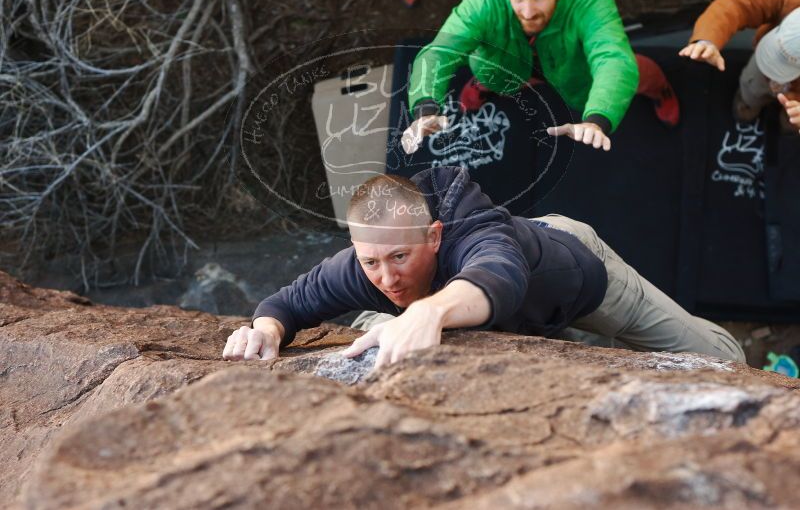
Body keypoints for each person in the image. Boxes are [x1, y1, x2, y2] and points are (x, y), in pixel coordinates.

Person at [222, 167, 745, 367]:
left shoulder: (475, 232)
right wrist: (263, 328)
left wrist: (428, 313)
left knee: (723, 358)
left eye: (400, 258)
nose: (387, 277)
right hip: (511, 310)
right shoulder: (364, 262)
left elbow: (498, 274)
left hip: (573, 272)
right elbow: (289, 303)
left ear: (433, 236)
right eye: (372, 263)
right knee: (372, 318)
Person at [401, 0, 680, 156]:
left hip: (574, 69)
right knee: (493, 76)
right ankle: (487, 85)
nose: (528, 11)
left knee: (633, 70)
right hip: (507, 66)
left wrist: (598, 118)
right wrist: (426, 107)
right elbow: (440, 51)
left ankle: (660, 90)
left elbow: (613, 59)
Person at [679, 0, 800, 133]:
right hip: (760, 65)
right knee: (750, 88)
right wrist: (708, 38)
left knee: (791, 120)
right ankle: (747, 105)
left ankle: (788, 126)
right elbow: (738, 4)